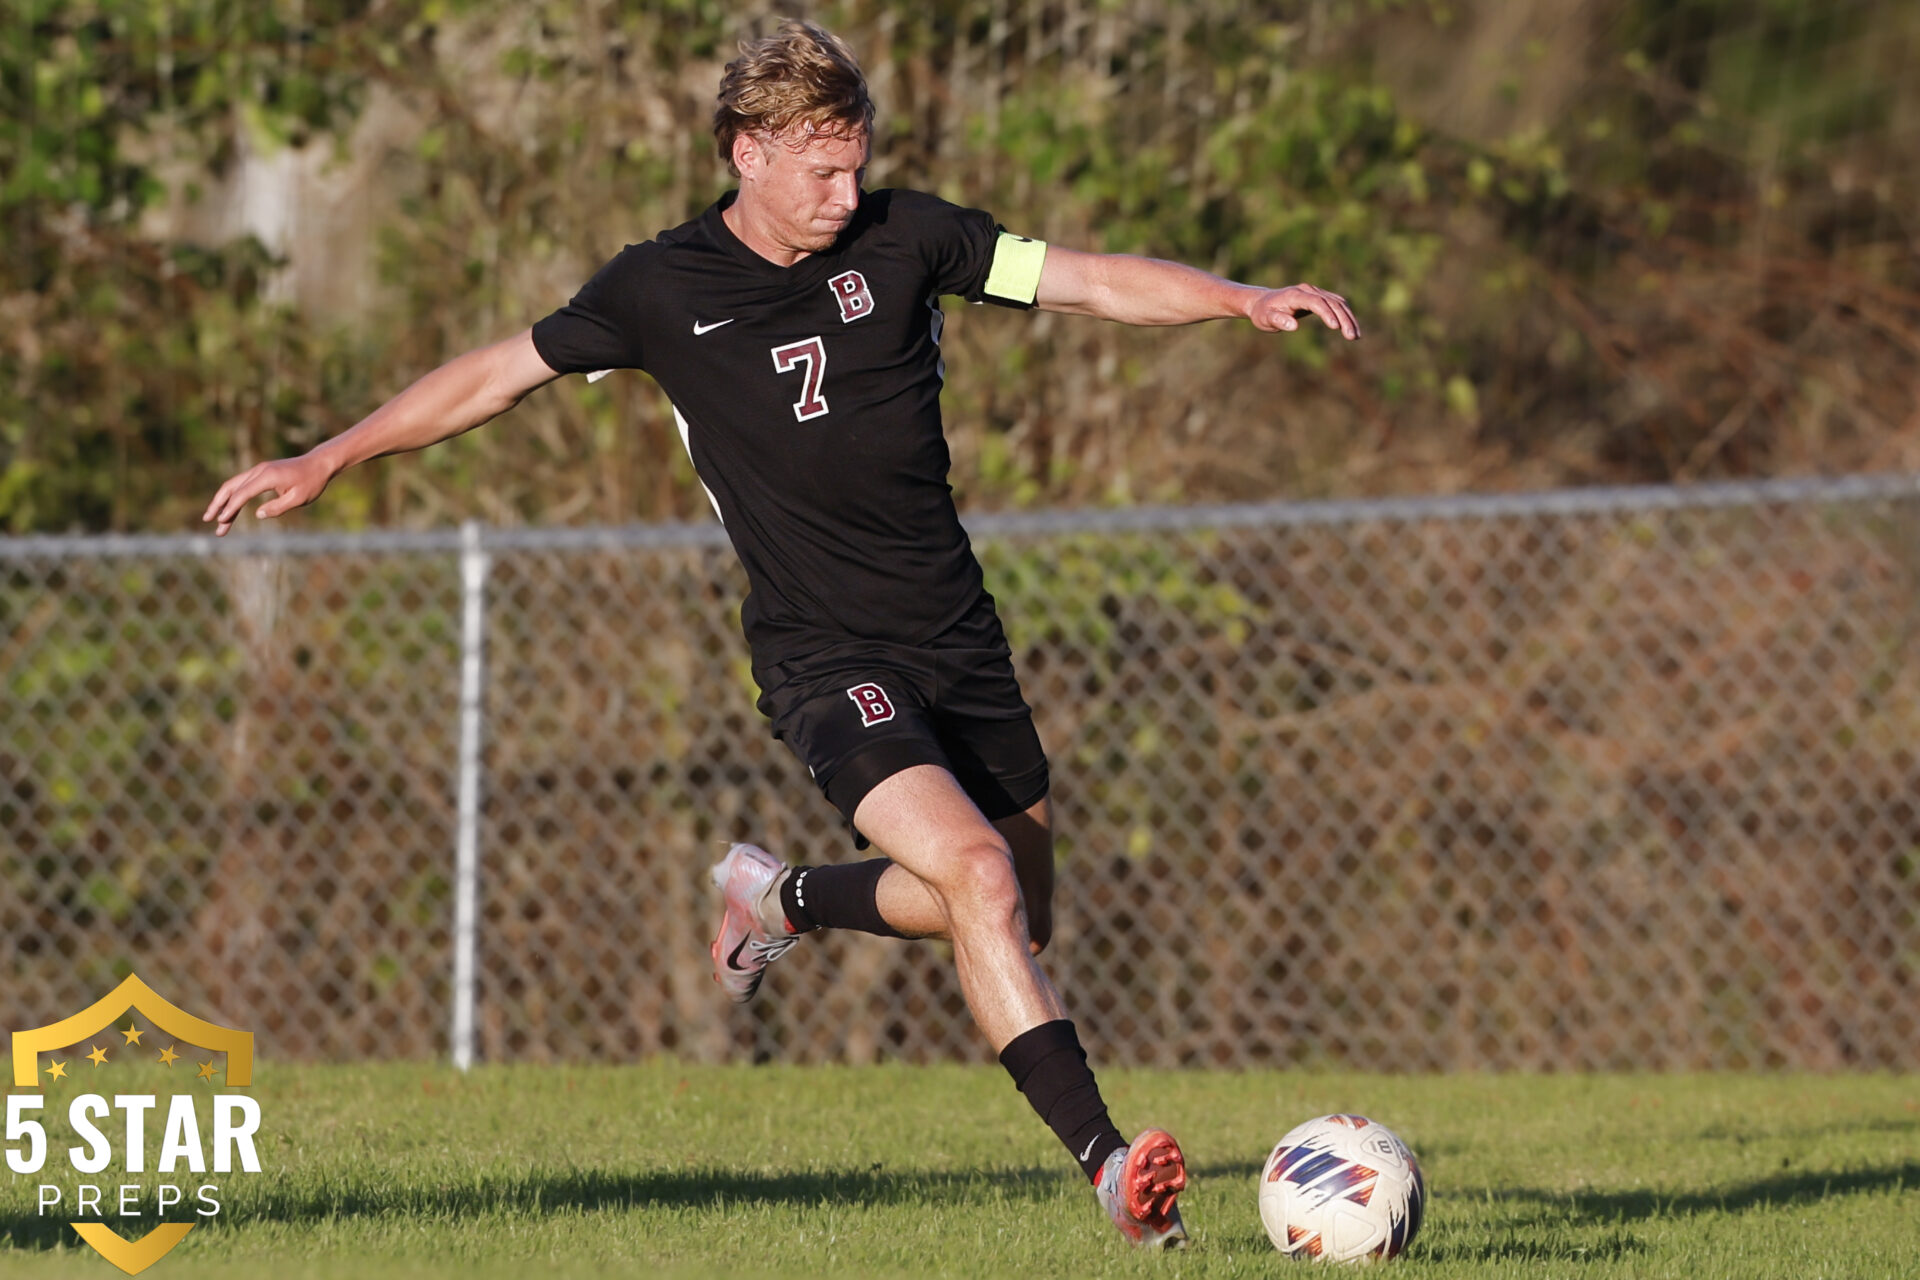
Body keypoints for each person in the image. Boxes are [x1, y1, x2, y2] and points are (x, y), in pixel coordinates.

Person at [203, 18, 1360, 1250]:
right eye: (823, 169)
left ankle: (786, 897)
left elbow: (1089, 278)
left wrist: (1239, 298)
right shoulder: (659, 288)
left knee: (1016, 905)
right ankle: (1111, 1165)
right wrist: (332, 453)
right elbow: (494, 373)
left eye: (856, 163)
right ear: (747, 151)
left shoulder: (910, 237)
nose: (846, 192)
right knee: (975, 877)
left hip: (957, 635)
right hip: (823, 654)